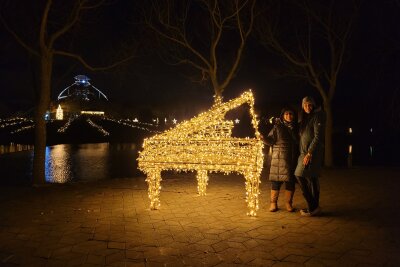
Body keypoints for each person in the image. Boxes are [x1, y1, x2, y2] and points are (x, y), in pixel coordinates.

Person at [263, 107, 299, 212]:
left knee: (290, 182)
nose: (289, 116)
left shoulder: (297, 128)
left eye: (291, 114)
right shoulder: (277, 127)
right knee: (276, 182)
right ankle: (273, 203)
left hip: (292, 160)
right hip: (279, 160)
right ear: (282, 116)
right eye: (286, 114)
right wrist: (263, 138)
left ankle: (288, 203)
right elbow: (270, 141)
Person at [294, 96, 325, 216]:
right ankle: (314, 207)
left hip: (311, 153)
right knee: (311, 178)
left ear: (314, 105)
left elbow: (318, 136)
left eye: (310, 104)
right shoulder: (305, 118)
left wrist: (309, 153)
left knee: (300, 175)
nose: (308, 107)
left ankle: (312, 206)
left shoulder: (318, 115)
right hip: (304, 153)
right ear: (302, 106)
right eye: (305, 105)